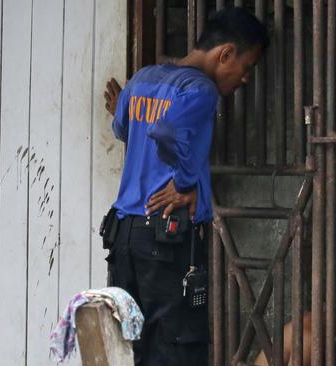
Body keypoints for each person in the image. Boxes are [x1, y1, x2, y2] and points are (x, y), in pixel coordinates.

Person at [102, 7, 269, 365]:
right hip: (165, 239)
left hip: (124, 238)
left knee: (132, 348)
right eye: (248, 66)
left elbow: (122, 128)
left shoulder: (143, 79)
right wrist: (185, 181)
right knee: (176, 350)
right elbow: (167, 131)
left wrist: (123, 107)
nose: (245, 79)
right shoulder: (201, 89)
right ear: (225, 53)